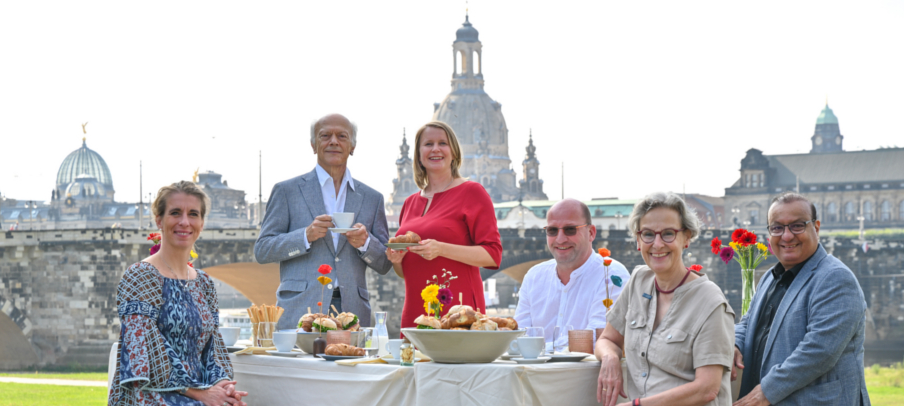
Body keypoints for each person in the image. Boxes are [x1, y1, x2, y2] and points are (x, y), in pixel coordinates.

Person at [538, 192, 735, 406]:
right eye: (648, 234)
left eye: (668, 233)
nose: (657, 243)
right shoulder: (640, 282)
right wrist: (611, 358)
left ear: (686, 238)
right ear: (638, 240)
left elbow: (707, 388)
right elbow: (606, 339)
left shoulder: (708, 301)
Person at [95, 181, 294, 406]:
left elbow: (213, 349)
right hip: (153, 401)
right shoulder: (141, 276)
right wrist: (201, 393)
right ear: (159, 220)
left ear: (202, 222)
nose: (185, 222)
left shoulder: (203, 282)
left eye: (194, 214)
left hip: (201, 397)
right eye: (176, 213)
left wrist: (222, 389)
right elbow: (144, 355)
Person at [731, 193, 878, 406]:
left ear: (816, 227)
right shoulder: (770, 277)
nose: (787, 235)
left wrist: (765, 392)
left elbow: (819, 352)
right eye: (778, 227)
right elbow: (747, 323)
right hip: (769, 405)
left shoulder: (834, 278)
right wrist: (732, 343)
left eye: (797, 225)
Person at [255, 114, 391, 330]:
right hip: (301, 309)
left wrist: (366, 243)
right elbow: (262, 251)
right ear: (313, 145)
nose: (334, 141)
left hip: (351, 311)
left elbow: (385, 263)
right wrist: (305, 236)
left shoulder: (373, 198)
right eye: (325, 135)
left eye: (342, 136)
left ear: (353, 146)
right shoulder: (286, 191)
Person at [386, 121, 501, 329]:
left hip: (458, 312)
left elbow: (493, 255)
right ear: (419, 155)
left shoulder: (472, 192)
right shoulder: (409, 203)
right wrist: (397, 261)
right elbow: (406, 271)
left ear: (454, 152)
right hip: (415, 312)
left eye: (442, 143)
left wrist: (441, 249)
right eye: (428, 144)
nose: (435, 149)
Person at [514, 198, 630, 350]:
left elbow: (597, 340)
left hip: (585, 373)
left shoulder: (612, 275)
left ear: (591, 233)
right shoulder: (534, 276)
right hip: (532, 372)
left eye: (570, 229)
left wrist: (538, 349)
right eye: (552, 230)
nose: (560, 239)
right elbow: (517, 336)